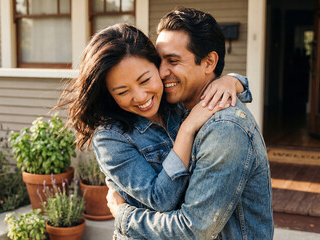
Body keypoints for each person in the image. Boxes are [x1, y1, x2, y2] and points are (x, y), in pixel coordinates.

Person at [106, 7, 274, 239]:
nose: (162, 72)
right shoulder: (177, 108)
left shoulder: (225, 129)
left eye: (173, 61)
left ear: (209, 62)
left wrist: (123, 215)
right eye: (159, 60)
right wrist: (235, 81)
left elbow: (194, 229)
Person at [56, 23, 251, 219]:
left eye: (145, 80)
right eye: (123, 92)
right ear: (109, 95)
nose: (140, 97)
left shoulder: (175, 101)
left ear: (157, 66)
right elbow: (161, 200)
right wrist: (186, 130)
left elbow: (237, 92)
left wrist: (231, 81)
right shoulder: (110, 137)